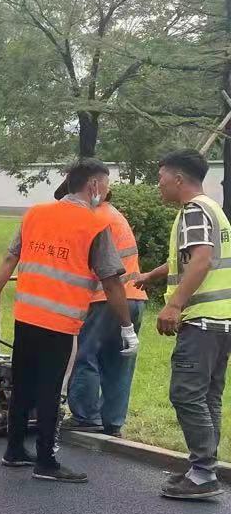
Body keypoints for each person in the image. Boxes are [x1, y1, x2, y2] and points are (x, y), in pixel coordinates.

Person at [0, 159, 139, 484]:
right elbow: (111, 282)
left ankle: (14, 450)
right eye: (106, 185)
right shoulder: (94, 225)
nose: (106, 191)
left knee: (23, 384)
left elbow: (11, 257)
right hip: (61, 323)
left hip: (26, 316)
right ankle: (46, 461)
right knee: (52, 390)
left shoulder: (35, 213)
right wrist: (126, 326)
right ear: (93, 185)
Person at [134, 149, 231, 500]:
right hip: (221, 320)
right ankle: (202, 469)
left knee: (186, 394)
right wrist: (151, 275)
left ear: (178, 179)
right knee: (207, 396)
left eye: (160, 178)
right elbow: (186, 258)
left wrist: (174, 304)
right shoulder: (212, 208)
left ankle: (203, 472)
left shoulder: (193, 210)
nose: (158, 184)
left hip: (201, 320)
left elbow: (202, 260)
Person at [62, 184, 147, 438]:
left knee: (86, 355)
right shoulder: (115, 215)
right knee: (119, 362)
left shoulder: (93, 218)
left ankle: (86, 417)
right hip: (133, 298)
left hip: (105, 298)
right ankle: (113, 422)